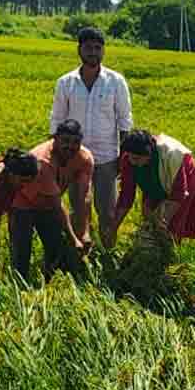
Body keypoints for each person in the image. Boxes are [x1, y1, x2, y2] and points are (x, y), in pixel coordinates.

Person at [50, 27, 133, 249]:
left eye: (98, 48)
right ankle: (81, 253)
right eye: (88, 48)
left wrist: (123, 161)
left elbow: (125, 121)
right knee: (79, 208)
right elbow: (57, 120)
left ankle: (108, 252)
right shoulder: (65, 83)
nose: (93, 53)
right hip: (75, 158)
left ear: (103, 51)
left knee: (107, 210)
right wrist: (56, 159)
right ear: (79, 50)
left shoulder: (116, 81)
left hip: (107, 158)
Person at [9, 119, 93, 283]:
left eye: (75, 142)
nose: (70, 146)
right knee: (22, 249)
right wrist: (74, 238)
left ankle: (51, 283)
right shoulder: (43, 161)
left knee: (55, 247)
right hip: (24, 204)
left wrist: (85, 232)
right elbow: (57, 203)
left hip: (48, 206)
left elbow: (84, 196)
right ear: (55, 139)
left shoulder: (85, 158)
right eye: (65, 141)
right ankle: (19, 286)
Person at [112, 129, 195, 243]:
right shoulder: (129, 159)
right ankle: (149, 246)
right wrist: (114, 227)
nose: (132, 161)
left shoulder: (171, 155)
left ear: (148, 155)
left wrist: (164, 221)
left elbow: (178, 195)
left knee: (171, 227)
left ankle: (168, 254)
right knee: (149, 219)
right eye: (130, 157)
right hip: (154, 184)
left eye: (136, 159)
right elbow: (126, 195)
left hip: (183, 180)